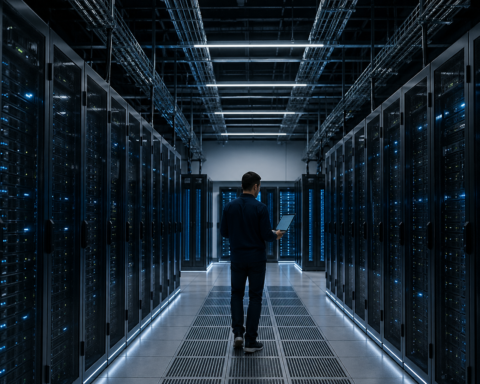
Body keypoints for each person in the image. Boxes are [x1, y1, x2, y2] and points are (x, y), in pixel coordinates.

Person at [220, 171, 284, 353]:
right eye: (259, 187)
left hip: (237, 258)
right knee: (255, 297)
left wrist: (238, 234)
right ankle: (250, 341)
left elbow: (224, 232)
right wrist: (276, 235)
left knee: (236, 295)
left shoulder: (229, 207)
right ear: (255, 186)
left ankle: (238, 333)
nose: (259, 190)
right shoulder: (260, 207)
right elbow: (266, 236)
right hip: (256, 259)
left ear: (242, 186)